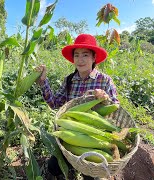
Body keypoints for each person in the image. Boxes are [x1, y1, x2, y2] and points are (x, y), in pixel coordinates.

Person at [35, 34, 119, 179]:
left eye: (85, 55)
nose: (80, 60)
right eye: (77, 55)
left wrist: (105, 98)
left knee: (91, 175)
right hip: (72, 132)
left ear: (94, 58)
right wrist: (43, 83)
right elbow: (55, 104)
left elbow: (115, 107)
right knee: (53, 167)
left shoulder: (104, 80)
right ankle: (71, 167)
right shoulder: (69, 80)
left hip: (95, 133)